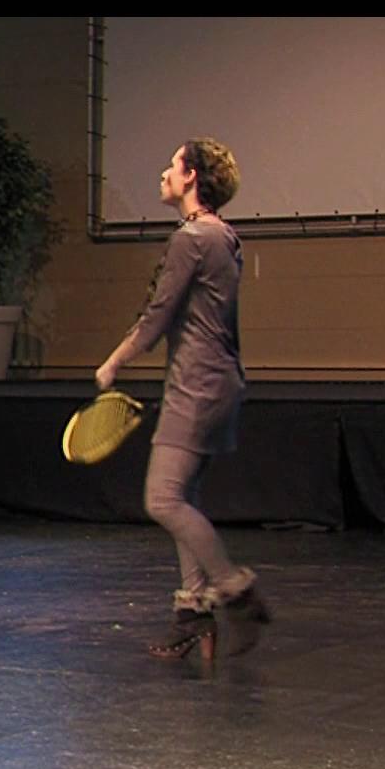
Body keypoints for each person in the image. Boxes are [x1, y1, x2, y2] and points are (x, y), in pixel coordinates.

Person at [94, 138, 262, 656]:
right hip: (216, 383)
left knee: (162, 499)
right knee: (183, 497)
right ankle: (194, 613)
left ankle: (233, 588)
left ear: (191, 176)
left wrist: (113, 362)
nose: (164, 172)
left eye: (172, 164)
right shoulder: (223, 235)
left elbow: (156, 317)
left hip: (197, 386)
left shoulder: (192, 239)